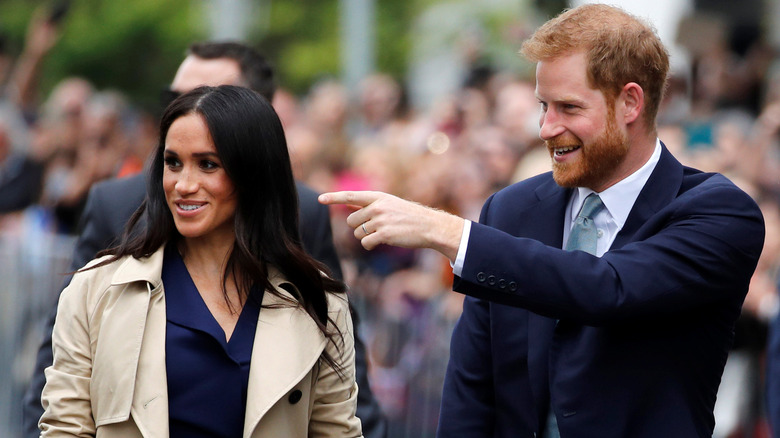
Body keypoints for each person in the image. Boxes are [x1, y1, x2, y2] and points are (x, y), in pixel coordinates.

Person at [319, 4, 765, 437]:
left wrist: (449, 232)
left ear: (630, 102)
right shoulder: (511, 211)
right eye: (542, 106)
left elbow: (610, 289)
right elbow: (472, 388)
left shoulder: (718, 212)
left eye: (569, 108)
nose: (547, 128)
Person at [23, 41, 386, 438]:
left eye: (208, 164)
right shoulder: (96, 289)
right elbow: (64, 428)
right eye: (172, 162)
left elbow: (338, 431)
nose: (183, 184)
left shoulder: (319, 300)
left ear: (253, 174)